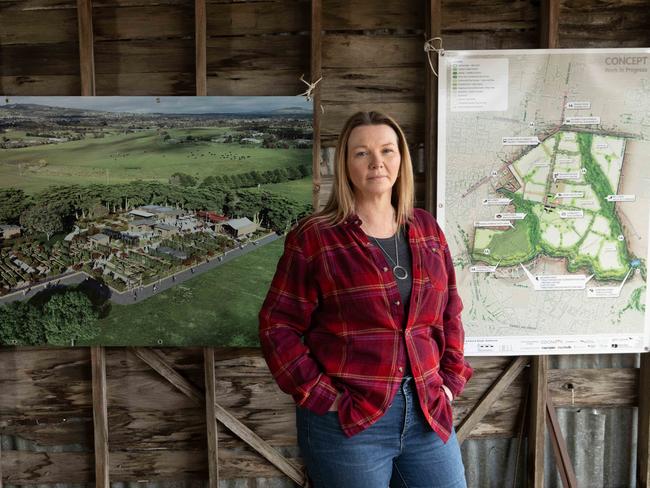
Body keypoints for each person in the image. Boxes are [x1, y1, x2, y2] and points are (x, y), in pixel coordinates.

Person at [259, 111, 473, 488]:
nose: (377, 162)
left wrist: (450, 380)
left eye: (387, 150)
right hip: (348, 422)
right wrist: (324, 397)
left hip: (427, 411)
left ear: (401, 159)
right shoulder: (316, 238)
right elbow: (278, 326)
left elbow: (449, 313)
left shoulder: (427, 230)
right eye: (362, 153)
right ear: (344, 163)